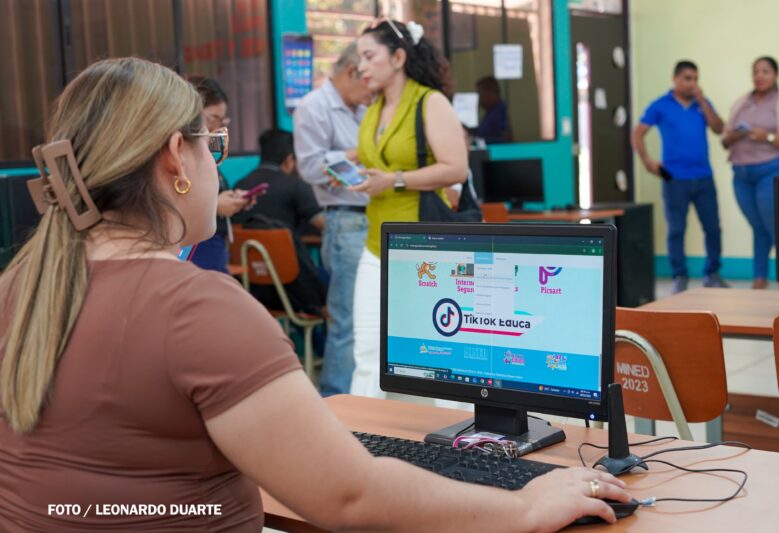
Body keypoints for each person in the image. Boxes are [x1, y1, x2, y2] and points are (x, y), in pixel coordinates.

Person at [0, 56, 632, 533]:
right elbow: (351, 497)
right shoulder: (195, 309)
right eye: (212, 146)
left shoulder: (20, 285)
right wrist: (526, 506)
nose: (215, 163)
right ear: (175, 160)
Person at [348, 18, 467, 398]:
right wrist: (352, 171)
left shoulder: (430, 102)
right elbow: (377, 159)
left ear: (398, 57)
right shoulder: (373, 109)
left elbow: (456, 168)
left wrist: (394, 180)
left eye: (370, 57)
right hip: (376, 246)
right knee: (369, 353)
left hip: (425, 247)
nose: (362, 67)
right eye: (359, 58)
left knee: (437, 353)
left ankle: (451, 430)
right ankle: (365, 429)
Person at [293, 43, 373, 396]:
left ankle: (363, 397)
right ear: (352, 71)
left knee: (370, 318)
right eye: (367, 81)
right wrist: (362, 152)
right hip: (346, 220)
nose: (372, 91)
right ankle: (335, 399)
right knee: (348, 320)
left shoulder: (362, 109)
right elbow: (310, 167)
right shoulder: (314, 106)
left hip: (374, 215)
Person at [633, 60, 728, 294]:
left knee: (713, 228)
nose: (692, 83)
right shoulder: (660, 105)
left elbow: (719, 128)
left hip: (704, 176)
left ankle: (712, 274)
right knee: (676, 230)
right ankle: (679, 276)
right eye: (687, 78)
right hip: (675, 179)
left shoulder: (702, 104)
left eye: (695, 79)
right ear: (675, 79)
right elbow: (638, 133)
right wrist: (647, 161)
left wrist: (703, 102)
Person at [722, 56, 779, 290]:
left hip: (774, 171)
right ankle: (760, 279)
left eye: (765, 71)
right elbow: (724, 139)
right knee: (759, 227)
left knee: (777, 226)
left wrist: (767, 136)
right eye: (755, 71)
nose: (759, 76)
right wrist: (734, 135)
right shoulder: (741, 103)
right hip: (742, 175)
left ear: (776, 75)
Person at [233, 129, 327, 316]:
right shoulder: (295, 186)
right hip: (294, 291)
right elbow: (325, 224)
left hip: (251, 289)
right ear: (290, 159)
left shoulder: (240, 186)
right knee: (332, 279)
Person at [188, 76, 253, 273]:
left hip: (214, 244)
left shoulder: (210, 154)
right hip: (196, 247)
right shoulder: (184, 156)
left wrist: (232, 200)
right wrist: (216, 206)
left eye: (222, 120)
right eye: (212, 118)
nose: (217, 127)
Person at [476, 75, 512, 143]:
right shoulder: (491, 112)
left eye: (480, 94)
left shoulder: (499, 113)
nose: (479, 99)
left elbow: (505, 140)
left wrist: (482, 141)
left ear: (489, 93)